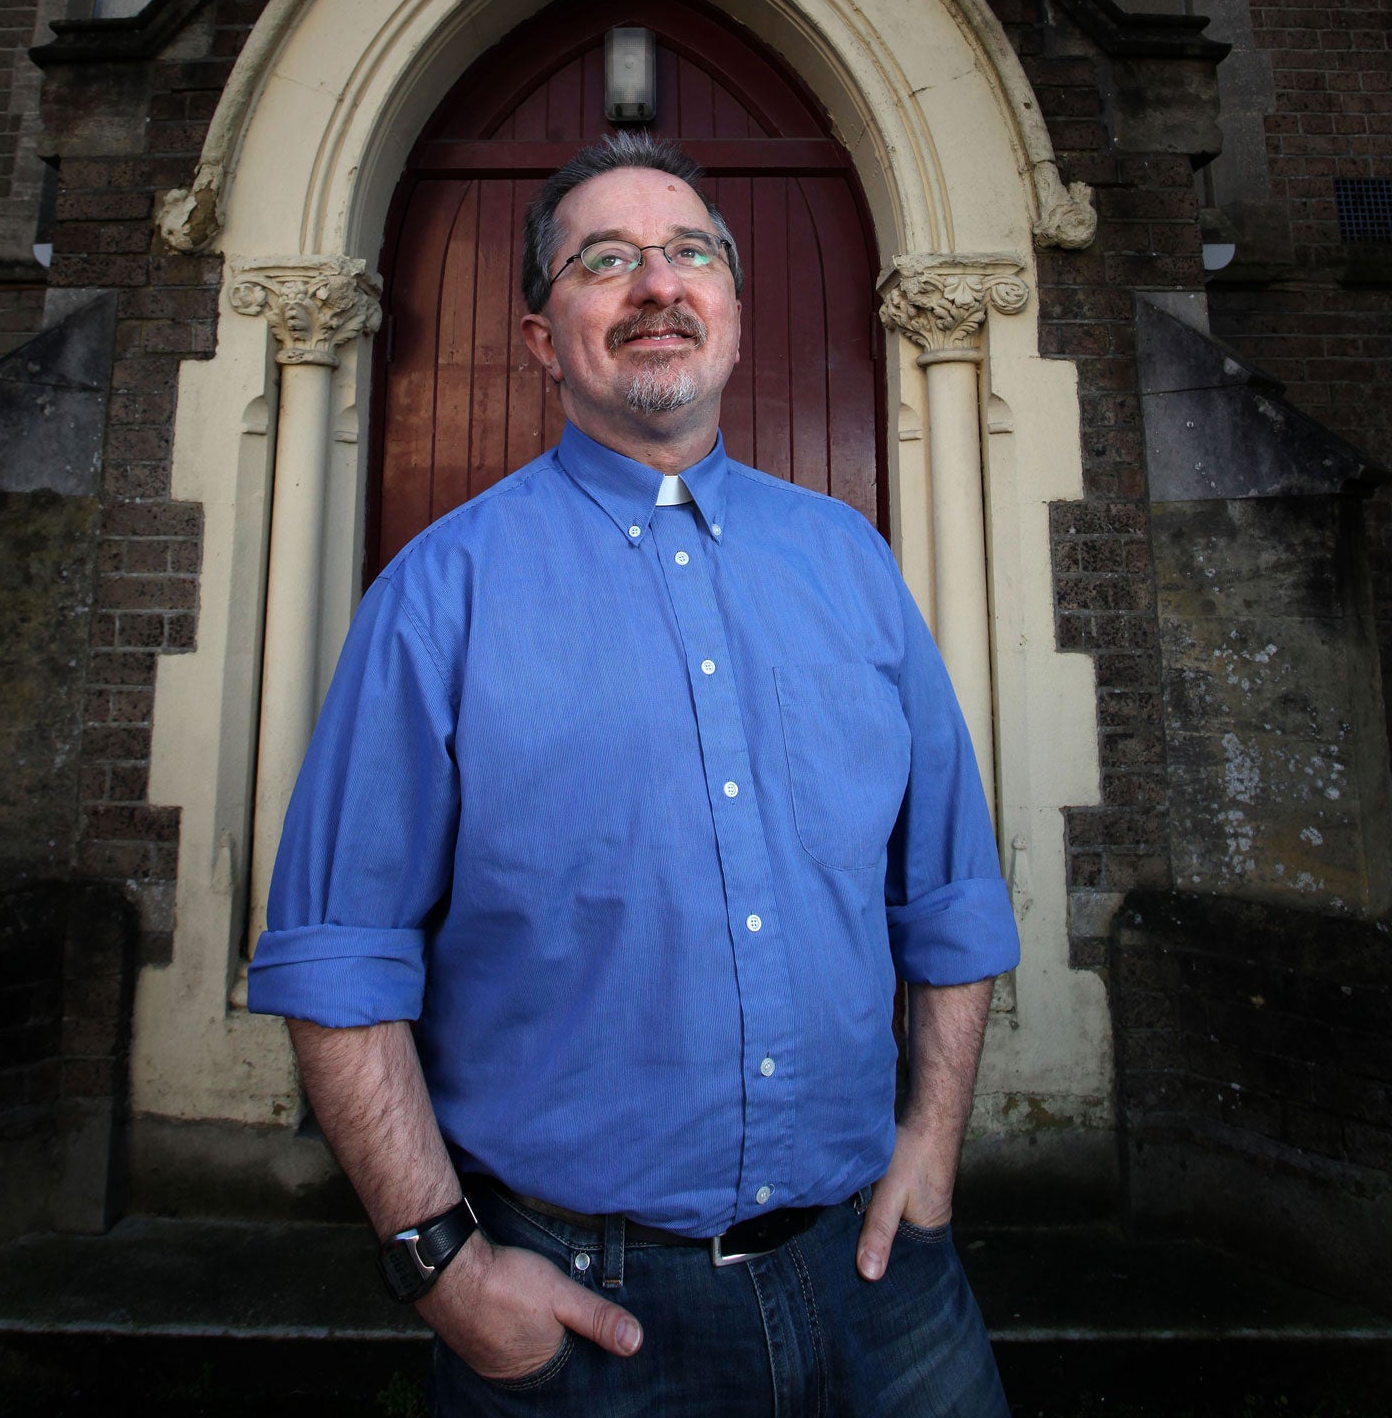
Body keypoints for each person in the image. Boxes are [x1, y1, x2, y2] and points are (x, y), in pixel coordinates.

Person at [249, 129, 1019, 1416]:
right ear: (546, 337)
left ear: (731, 309)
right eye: (605, 259)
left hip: (888, 1290)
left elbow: (949, 889)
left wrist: (931, 1150)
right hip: (577, 1321)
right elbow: (337, 955)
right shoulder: (439, 595)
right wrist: (443, 1267)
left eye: (690, 252)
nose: (658, 283)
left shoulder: (850, 563)